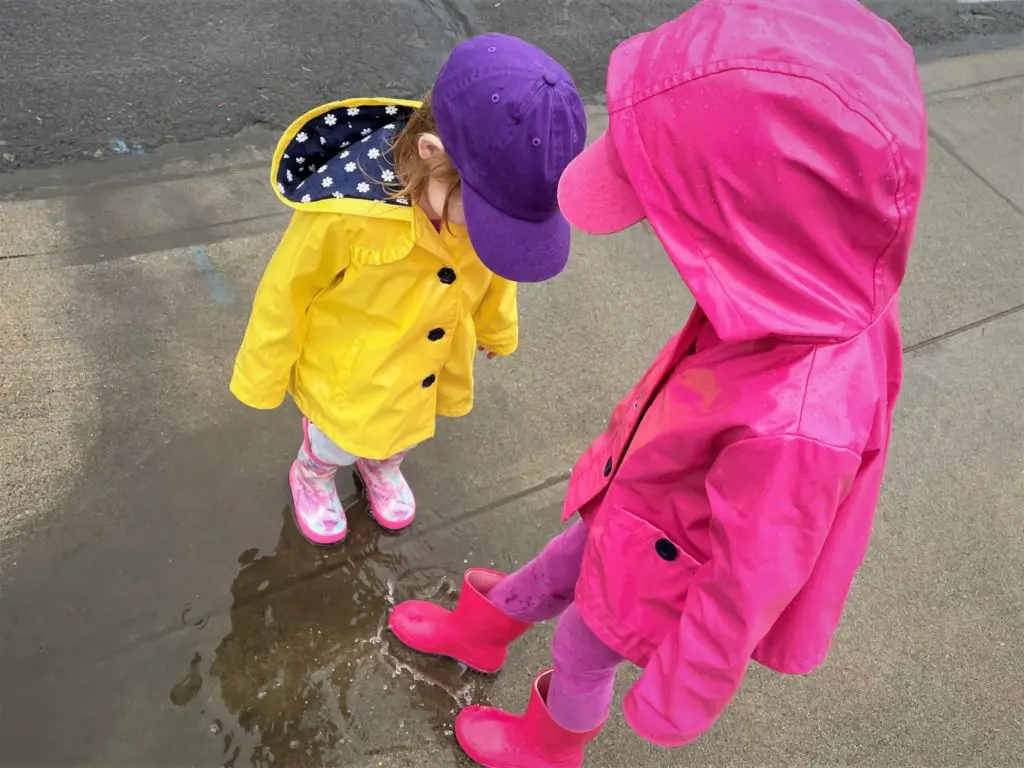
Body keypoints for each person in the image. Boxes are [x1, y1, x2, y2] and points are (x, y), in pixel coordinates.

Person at [388, 0, 928, 765]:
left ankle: (550, 748)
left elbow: (753, 575)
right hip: (640, 507)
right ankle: (482, 630)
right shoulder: (812, 277)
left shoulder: (802, 422)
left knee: (581, 648)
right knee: (559, 562)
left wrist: (683, 690)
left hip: (669, 561)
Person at [230, 35, 586, 545]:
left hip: (425, 363)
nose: (488, 234)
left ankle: (381, 464)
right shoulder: (346, 215)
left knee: (403, 431)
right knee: (338, 436)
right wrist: (262, 373)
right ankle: (314, 472)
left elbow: (498, 270)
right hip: (354, 369)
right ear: (430, 155)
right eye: (486, 219)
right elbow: (286, 291)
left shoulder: (481, 211)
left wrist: (496, 330)